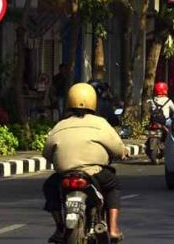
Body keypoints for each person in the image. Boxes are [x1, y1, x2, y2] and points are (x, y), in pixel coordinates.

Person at [42, 83, 127, 243]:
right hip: (94, 173)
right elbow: (117, 148)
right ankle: (113, 228)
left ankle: (60, 226)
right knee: (113, 185)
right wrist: (123, 152)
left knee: (49, 187)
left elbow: (47, 153)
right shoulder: (101, 123)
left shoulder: (60, 125)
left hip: (64, 176)